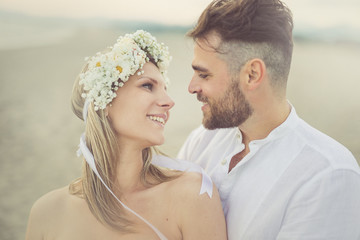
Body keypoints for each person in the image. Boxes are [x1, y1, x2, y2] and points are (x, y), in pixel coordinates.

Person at [177, 0, 360, 239]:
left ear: (252, 75)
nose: (192, 87)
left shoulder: (328, 175)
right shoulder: (199, 142)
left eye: (204, 74)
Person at [25, 30, 227, 240]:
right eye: (147, 86)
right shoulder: (47, 213)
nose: (169, 101)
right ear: (103, 104)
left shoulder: (193, 194)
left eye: (164, 88)